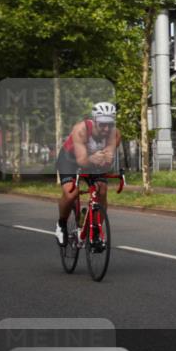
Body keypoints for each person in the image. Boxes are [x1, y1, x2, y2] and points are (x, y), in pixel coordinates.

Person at [55, 102, 121, 245]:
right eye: (102, 124)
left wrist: (105, 160)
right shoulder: (81, 129)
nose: (106, 128)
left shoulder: (114, 134)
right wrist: (94, 158)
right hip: (70, 159)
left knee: (102, 190)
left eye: (109, 124)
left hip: (93, 160)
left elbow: (107, 161)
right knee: (72, 193)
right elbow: (82, 161)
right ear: (94, 120)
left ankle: (96, 230)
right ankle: (61, 224)